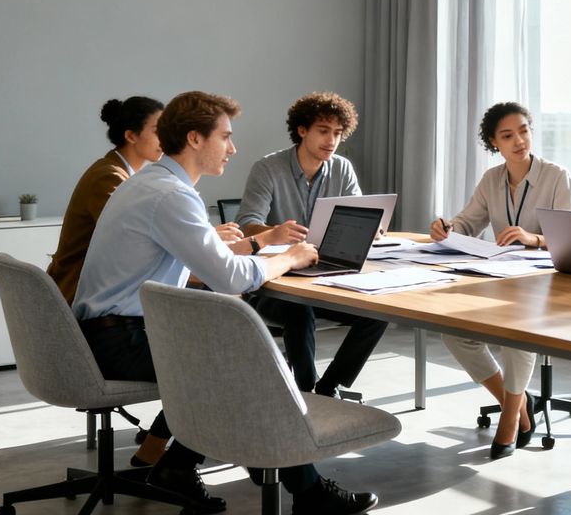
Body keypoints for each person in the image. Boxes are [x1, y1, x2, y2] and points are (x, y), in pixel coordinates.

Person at [72, 91, 378, 515]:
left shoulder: (152, 183)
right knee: (252, 368)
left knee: (242, 360)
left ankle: (179, 467)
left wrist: (255, 246)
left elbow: (206, 265)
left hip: (112, 331)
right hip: (119, 340)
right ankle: (305, 491)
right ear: (195, 139)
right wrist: (290, 257)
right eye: (226, 137)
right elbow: (229, 279)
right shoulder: (171, 195)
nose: (233, 149)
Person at [427, 102, 571, 460]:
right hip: (502, 279)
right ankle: (521, 403)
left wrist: (534, 238)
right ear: (494, 143)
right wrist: (446, 228)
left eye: (524, 130)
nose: (519, 140)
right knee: (454, 332)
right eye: (508, 135)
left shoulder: (556, 176)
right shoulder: (491, 180)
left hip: (547, 283)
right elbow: (467, 223)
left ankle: (510, 417)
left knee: (516, 334)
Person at [235, 91, 388, 397]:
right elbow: (246, 225)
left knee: (378, 312)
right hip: (275, 281)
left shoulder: (342, 168)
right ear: (302, 130)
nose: (331, 140)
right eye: (323, 131)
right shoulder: (267, 168)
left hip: (324, 273)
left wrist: (370, 230)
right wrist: (277, 232)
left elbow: (357, 215)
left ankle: (326, 389)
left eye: (337, 133)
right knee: (299, 309)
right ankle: (304, 393)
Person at [47, 96, 166, 305]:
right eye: (158, 131)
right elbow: (132, 238)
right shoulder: (109, 177)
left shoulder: (116, 172)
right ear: (131, 135)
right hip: (78, 293)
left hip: (93, 289)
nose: (166, 138)